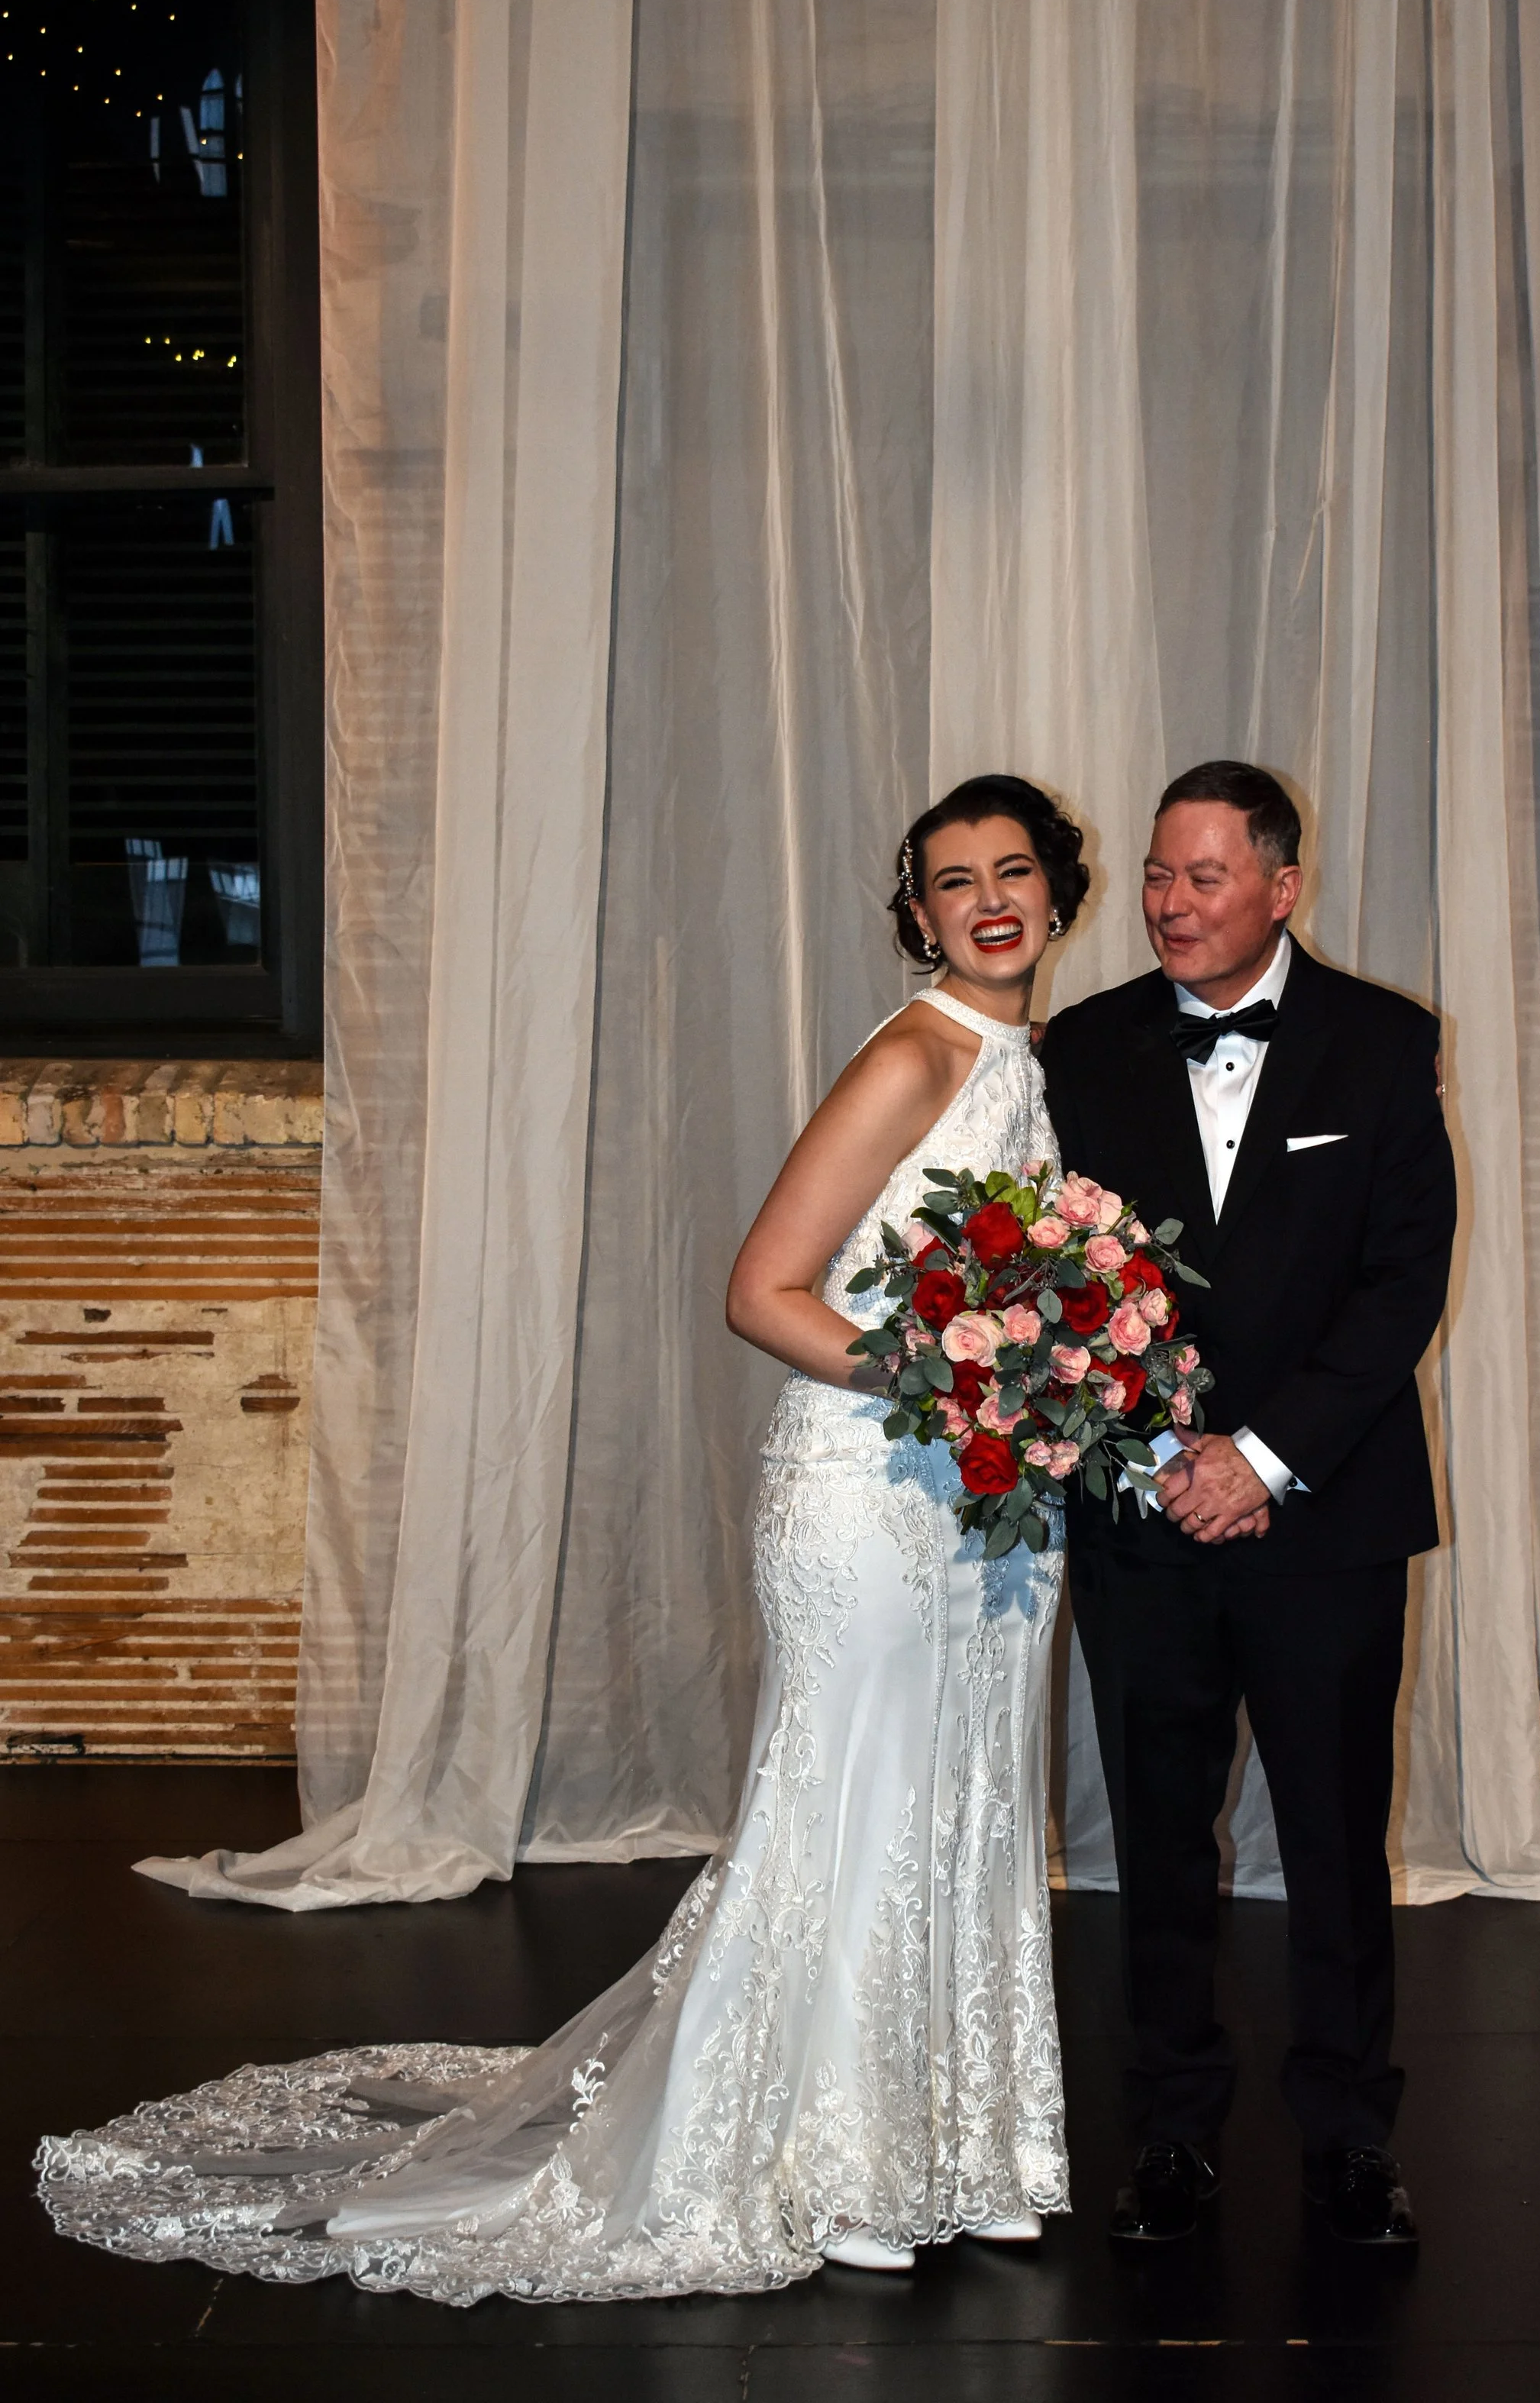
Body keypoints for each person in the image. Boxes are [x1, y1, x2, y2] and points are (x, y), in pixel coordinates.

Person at [37, 775, 1086, 2303]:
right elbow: (763, 1289)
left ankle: (961, 2146)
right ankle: (839, 2153)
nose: (985, 899)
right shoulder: (914, 1056)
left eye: (1010, 871)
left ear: (1057, 890)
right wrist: (947, 1378)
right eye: (950, 880)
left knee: (968, 1799)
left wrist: (1033, 1382)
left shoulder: (1022, 1059)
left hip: (985, 1501)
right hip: (869, 1491)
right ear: (915, 913)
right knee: (854, 1810)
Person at [1039, 760, 1456, 2253]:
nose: (1168, 901)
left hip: (1323, 1516)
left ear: (1281, 884)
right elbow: (1052, 1273)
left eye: (1202, 875)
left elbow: (1400, 1278)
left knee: (1337, 1836)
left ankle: (1349, 2142)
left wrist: (1261, 1455)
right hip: (1142, 1515)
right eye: (1157, 873)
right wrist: (1161, 1445)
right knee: (1157, 1839)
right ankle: (1170, 2134)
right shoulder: (1076, 1049)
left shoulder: (1382, 1042)